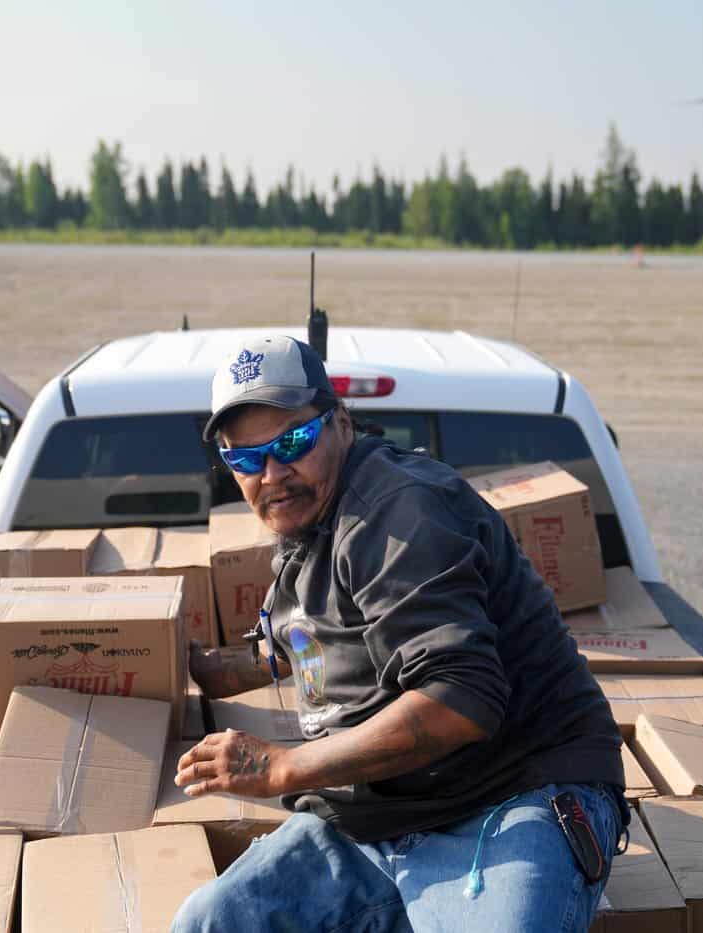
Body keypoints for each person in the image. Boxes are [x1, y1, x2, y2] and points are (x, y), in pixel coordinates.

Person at [174, 335, 628, 933]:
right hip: (381, 815)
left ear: (339, 423)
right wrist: (185, 665)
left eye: (292, 442)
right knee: (213, 921)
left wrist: (283, 767)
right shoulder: (310, 531)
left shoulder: (397, 511)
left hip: (511, 793)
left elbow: (459, 700)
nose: (273, 474)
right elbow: (297, 648)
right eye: (246, 459)